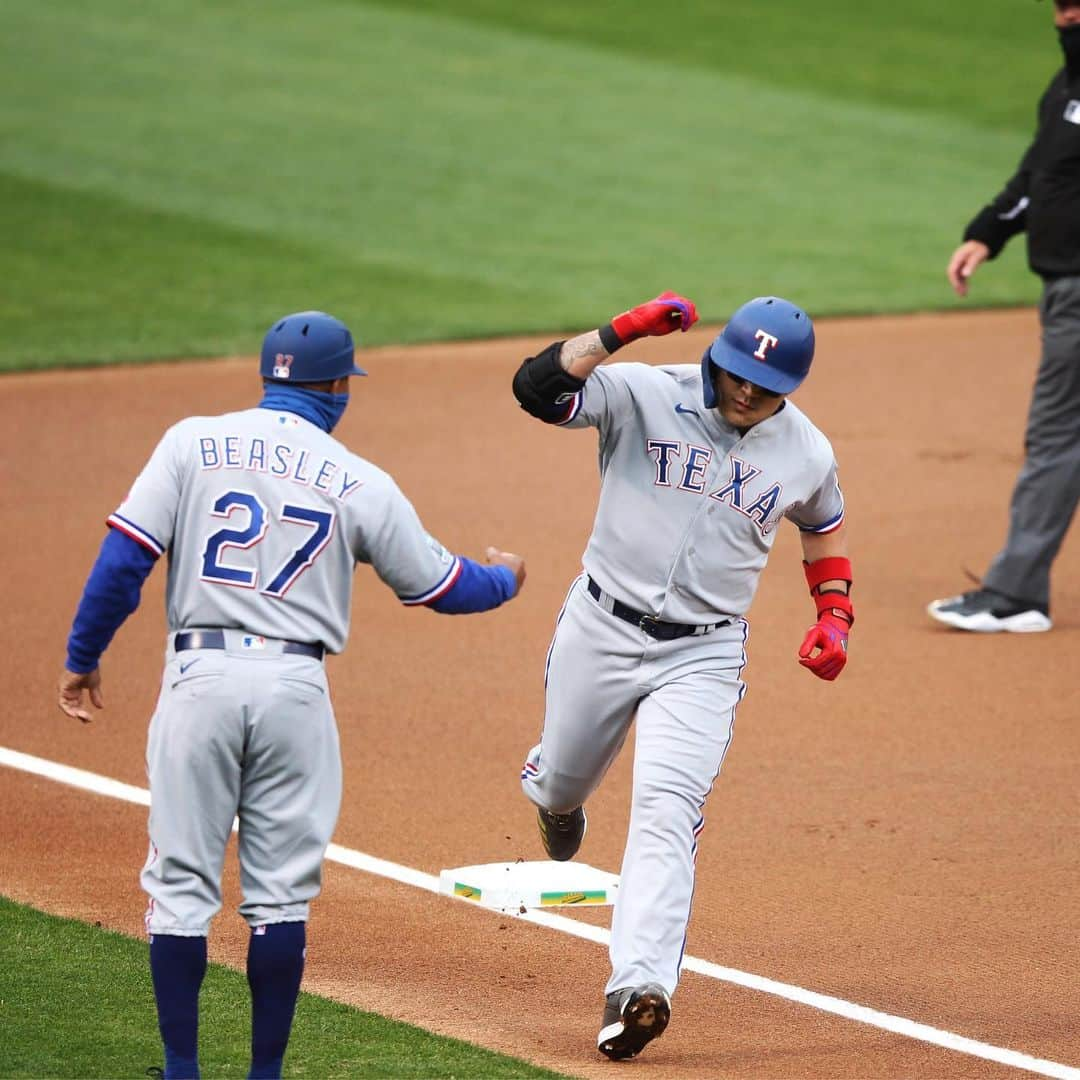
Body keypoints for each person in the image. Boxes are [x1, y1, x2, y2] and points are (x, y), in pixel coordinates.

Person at [56, 310, 526, 1080]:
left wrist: (83, 656)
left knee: (180, 886)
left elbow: (122, 562)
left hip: (199, 679)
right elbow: (444, 587)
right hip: (294, 690)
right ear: (338, 386)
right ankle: (265, 1076)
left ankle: (182, 1071)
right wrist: (507, 577)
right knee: (279, 899)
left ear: (268, 374)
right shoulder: (360, 478)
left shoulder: (190, 442)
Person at [511, 291, 853, 1060]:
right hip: (600, 625)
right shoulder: (642, 393)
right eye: (737, 375)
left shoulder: (806, 450)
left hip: (703, 653)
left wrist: (835, 614)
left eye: (766, 389)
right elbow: (536, 390)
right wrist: (620, 330)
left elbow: (823, 525)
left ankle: (638, 989)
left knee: (667, 809)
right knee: (562, 785)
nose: (745, 393)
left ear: (789, 390)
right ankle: (557, 804)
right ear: (718, 357)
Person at [928, 0, 1080, 634]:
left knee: (1056, 437)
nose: (1066, 19)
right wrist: (989, 231)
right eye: (1060, 7)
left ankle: (1016, 593)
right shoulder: (1067, 86)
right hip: (1065, 288)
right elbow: (1038, 173)